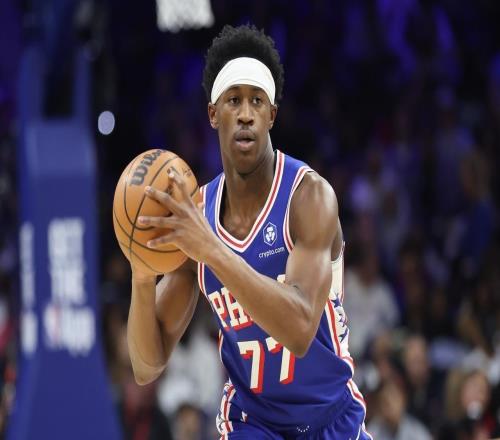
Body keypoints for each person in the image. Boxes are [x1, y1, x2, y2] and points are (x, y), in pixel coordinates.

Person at [128, 24, 371, 439]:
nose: (245, 113)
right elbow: (146, 366)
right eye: (233, 100)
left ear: (271, 114)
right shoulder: (196, 214)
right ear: (213, 114)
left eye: (257, 101)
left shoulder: (309, 197)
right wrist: (142, 274)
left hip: (332, 419)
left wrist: (212, 250)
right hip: (252, 423)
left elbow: (299, 329)